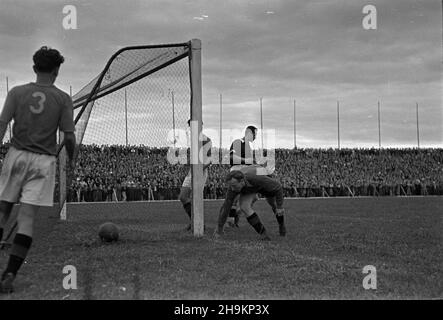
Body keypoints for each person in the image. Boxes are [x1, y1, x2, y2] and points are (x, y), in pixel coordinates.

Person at [0, 46, 76, 293]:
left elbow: (2, 124)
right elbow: (69, 137)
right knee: (27, 218)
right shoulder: (63, 98)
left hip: (17, 155)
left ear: (34, 68)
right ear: (56, 70)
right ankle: (9, 273)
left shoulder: (17, 92)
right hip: (43, 161)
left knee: (2, 210)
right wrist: (73, 158)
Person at [214, 168, 286, 240]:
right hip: (250, 187)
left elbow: (278, 187)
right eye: (231, 186)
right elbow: (226, 207)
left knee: (273, 204)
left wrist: (279, 206)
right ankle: (264, 234)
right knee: (244, 207)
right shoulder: (233, 188)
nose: (232, 189)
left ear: (242, 181)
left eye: (234, 186)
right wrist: (220, 228)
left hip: (261, 185)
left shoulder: (257, 178)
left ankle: (281, 225)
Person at [178, 119, 212, 231]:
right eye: (190, 126)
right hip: (191, 172)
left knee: (195, 198)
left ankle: (198, 224)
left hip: (200, 172)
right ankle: (194, 221)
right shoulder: (192, 140)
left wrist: (199, 169)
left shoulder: (206, 140)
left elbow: (209, 160)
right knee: (183, 196)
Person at [227, 125, 259, 227]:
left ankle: (234, 215)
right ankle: (231, 220)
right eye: (255, 134)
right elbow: (231, 157)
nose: (255, 137)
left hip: (244, 172)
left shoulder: (248, 147)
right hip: (237, 171)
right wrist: (246, 161)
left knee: (254, 197)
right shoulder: (238, 142)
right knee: (235, 198)